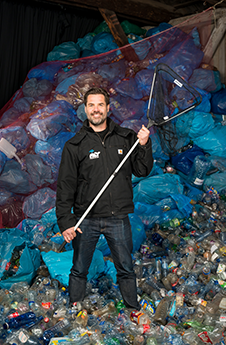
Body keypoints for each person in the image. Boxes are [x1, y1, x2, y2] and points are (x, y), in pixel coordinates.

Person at [56, 87, 153, 309]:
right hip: (85, 219)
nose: (96, 109)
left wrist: (145, 145)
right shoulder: (74, 146)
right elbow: (65, 187)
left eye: (100, 105)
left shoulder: (126, 138)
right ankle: (75, 312)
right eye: (91, 105)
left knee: (126, 268)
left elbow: (142, 170)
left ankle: (132, 311)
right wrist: (66, 222)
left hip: (117, 217)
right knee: (79, 269)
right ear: (85, 109)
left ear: (108, 108)